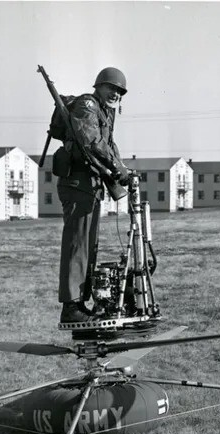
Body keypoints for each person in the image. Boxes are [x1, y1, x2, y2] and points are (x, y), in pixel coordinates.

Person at [57, 67, 131, 323]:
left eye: (120, 92)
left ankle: (81, 303)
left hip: (91, 185)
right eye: (112, 88)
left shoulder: (106, 112)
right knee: (77, 246)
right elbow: (92, 142)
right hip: (77, 183)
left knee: (89, 248)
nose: (116, 94)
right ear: (99, 86)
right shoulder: (87, 105)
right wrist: (118, 169)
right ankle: (71, 307)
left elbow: (109, 145)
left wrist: (123, 169)